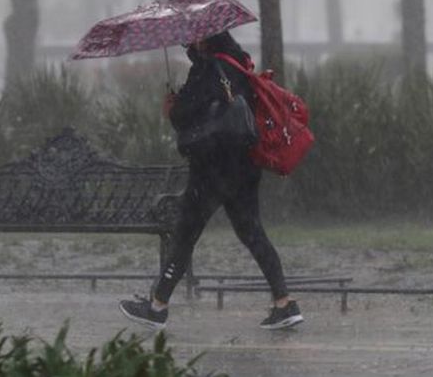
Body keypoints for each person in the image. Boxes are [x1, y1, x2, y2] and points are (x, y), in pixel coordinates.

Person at [119, 31, 303, 330]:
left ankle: (157, 307)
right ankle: (284, 303)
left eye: (193, 39)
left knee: (185, 234)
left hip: (211, 169)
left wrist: (172, 109)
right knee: (252, 232)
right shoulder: (239, 63)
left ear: (206, 39)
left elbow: (184, 115)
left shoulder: (206, 69)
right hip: (244, 165)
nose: (189, 44)